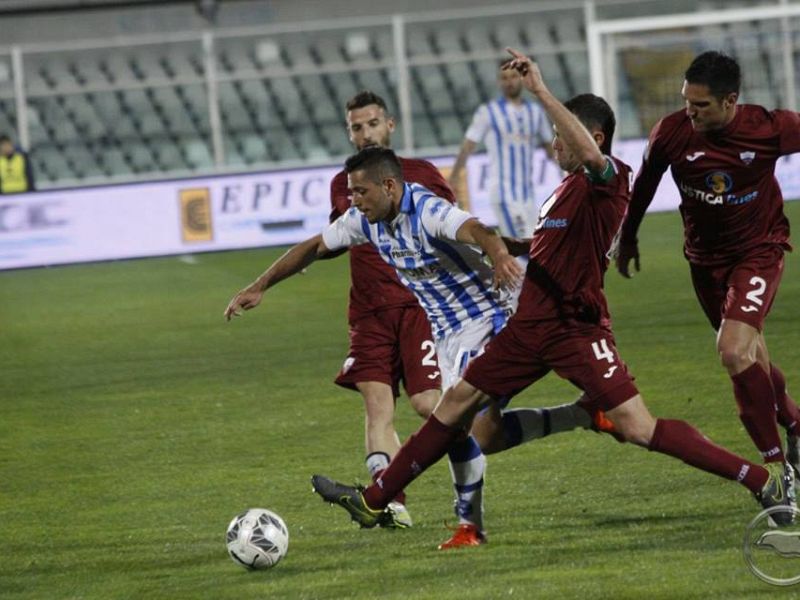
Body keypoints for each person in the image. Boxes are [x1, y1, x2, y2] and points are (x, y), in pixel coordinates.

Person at [310, 48, 796, 539]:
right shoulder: (564, 191)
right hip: (527, 327)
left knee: (639, 427)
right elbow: (550, 248)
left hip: (572, 329)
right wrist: (509, 248)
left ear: (591, 138)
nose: (552, 147)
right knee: (455, 407)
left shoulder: (608, 181)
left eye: (559, 138)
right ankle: (374, 500)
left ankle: (759, 479)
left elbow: (590, 159)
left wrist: (540, 90)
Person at [225, 146, 599, 548]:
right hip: (449, 334)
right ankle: (582, 415)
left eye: (360, 192)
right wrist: (259, 286)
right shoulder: (364, 221)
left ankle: (407, 508)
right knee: (480, 435)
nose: (354, 202)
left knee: (451, 417)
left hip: (491, 319)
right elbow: (315, 247)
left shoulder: (427, 210)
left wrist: (501, 257)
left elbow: (479, 231)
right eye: (351, 193)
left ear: (388, 185)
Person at [614, 51, 800, 476]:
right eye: (685, 102)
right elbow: (644, 184)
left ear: (730, 101)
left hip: (758, 252)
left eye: (701, 106)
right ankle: (794, 422)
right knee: (754, 360)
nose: (689, 112)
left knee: (733, 352)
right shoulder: (672, 134)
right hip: (705, 262)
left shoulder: (767, 128)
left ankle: (776, 468)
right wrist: (629, 235)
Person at [328, 91, 453, 530]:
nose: (365, 134)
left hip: (417, 306)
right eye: (356, 127)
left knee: (427, 405)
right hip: (367, 313)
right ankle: (391, 503)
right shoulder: (343, 183)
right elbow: (337, 236)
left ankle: (482, 446)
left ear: (390, 125)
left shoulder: (422, 175)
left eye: (372, 124)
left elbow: (449, 231)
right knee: (377, 408)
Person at [449, 59, 553, 237]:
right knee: (524, 246)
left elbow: (549, 147)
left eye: (513, 76)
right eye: (504, 78)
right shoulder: (488, 112)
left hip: (528, 195)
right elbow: (468, 146)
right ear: (499, 81)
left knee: (536, 245)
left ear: (521, 78)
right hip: (503, 194)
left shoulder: (535, 112)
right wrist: (453, 179)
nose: (509, 82)